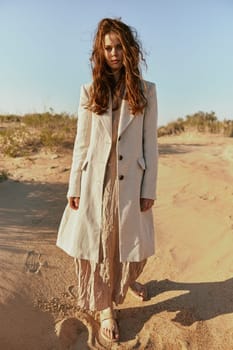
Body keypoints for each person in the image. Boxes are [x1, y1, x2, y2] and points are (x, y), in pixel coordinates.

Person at [57, 17, 158, 343]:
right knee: (98, 247)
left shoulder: (146, 91)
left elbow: (150, 145)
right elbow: (81, 143)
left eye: (119, 47)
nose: (114, 53)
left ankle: (125, 283)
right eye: (108, 47)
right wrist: (74, 186)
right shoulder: (90, 90)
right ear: (101, 52)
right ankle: (106, 309)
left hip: (130, 183)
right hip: (95, 183)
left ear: (128, 49)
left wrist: (149, 188)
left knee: (128, 246)